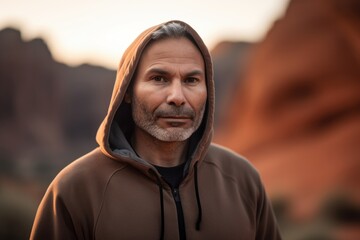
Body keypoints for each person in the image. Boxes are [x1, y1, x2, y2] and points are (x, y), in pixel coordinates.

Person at [30, 20, 281, 240]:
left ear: (208, 92)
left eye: (191, 80)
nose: (177, 97)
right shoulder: (75, 189)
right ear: (127, 91)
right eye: (159, 78)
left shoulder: (242, 179)